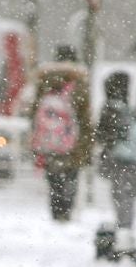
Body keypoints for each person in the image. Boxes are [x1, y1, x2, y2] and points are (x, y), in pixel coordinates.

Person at [28, 45, 92, 222]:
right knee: (70, 179)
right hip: (72, 144)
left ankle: (55, 213)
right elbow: (84, 117)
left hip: (48, 142)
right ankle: (66, 213)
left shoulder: (45, 80)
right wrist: (86, 146)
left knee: (53, 179)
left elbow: (34, 112)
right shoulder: (78, 83)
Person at [94, 72, 136, 229]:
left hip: (119, 157)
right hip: (134, 158)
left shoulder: (110, 108)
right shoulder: (130, 110)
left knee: (120, 194)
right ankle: (126, 225)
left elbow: (103, 135)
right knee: (128, 195)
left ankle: (124, 227)